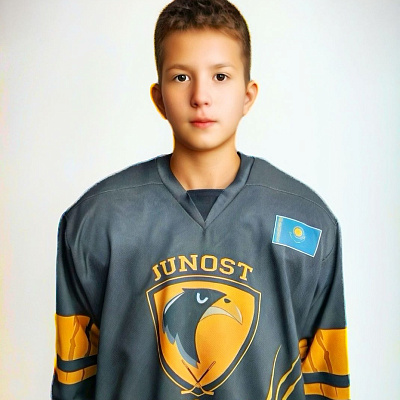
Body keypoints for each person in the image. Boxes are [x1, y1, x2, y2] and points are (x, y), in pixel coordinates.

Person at [52, 0, 350, 399]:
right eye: (181, 77)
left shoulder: (308, 222)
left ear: (248, 95)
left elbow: (324, 380)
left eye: (220, 76)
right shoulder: (96, 221)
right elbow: (74, 379)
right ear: (159, 97)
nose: (201, 96)